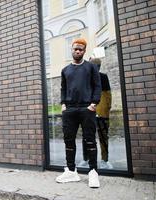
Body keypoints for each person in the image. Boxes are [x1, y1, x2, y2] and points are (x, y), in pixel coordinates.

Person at [55, 38, 102, 188]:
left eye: (81, 49)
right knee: (69, 141)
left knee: (90, 141)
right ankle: (71, 171)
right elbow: (63, 88)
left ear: (84, 51)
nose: (78, 51)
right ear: (72, 49)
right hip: (69, 110)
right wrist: (63, 104)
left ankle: (93, 172)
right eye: (76, 49)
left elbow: (97, 86)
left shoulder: (91, 67)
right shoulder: (65, 70)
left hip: (86, 109)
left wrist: (94, 103)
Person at [79, 58, 113, 169]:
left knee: (103, 137)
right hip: (88, 113)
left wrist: (105, 111)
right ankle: (86, 159)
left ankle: (104, 160)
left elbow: (107, 96)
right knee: (86, 137)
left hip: (101, 114)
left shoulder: (103, 77)